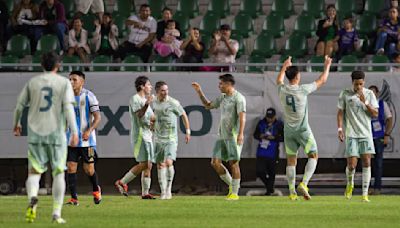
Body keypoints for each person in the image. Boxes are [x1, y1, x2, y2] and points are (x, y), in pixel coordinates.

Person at [12, 51, 78, 224]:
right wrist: (75, 131)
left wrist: (16, 123)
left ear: (42, 65)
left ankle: (32, 199)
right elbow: (69, 108)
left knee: (34, 172)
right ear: (58, 66)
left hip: (35, 133)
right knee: (58, 173)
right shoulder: (64, 82)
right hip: (56, 134)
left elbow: (19, 106)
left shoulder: (32, 82)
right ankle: (56, 213)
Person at [276, 55, 332, 201]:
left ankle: (291, 191)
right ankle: (304, 183)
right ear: (298, 76)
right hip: (302, 130)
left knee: (291, 160)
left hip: (288, 131)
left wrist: (284, 66)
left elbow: (279, 80)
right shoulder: (303, 90)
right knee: (313, 155)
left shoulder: (282, 90)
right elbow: (322, 80)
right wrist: (327, 66)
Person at [192, 74, 246, 200]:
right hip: (222, 135)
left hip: (233, 136)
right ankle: (232, 186)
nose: (219, 86)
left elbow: (243, 117)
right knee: (215, 163)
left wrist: (241, 134)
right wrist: (199, 92)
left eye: (221, 83)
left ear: (228, 84)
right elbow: (208, 105)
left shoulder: (239, 98)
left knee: (234, 164)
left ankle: (235, 193)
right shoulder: (223, 97)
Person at [337, 71, 379, 202]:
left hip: (365, 134)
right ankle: (350, 184)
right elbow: (340, 112)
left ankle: (364, 194)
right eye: (356, 84)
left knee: (367, 162)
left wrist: (365, 102)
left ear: (364, 82)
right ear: (352, 83)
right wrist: (340, 128)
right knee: (352, 165)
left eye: (361, 84)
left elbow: (375, 114)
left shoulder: (369, 94)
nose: (358, 87)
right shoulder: (345, 93)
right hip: (351, 133)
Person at [115, 76, 156, 199]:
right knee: (144, 163)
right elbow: (139, 114)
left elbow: (152, 117)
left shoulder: (144, 100)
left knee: (149, 164)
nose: (151, 87)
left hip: (148, 135)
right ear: (142, 86)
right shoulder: (135, 99)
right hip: (139, 136)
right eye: (149, 84)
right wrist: (147, 103)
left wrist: (154, 124)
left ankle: (145, 193)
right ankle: (122, 182)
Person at [65, 70, 102, 206]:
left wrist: (89, 130)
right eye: (70, 79)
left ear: (82, 81)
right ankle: (74, 198)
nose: (71, 82)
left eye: (74, 79)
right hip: (71, 140)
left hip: (87, 141)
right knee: (71, 167)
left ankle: (96, 190)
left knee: (89, 170)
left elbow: (98, 117)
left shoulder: (89, 96)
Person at [152, 81, 191, 199]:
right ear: (157, 91)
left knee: (168, 162)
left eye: (167, 90)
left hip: (171, 138)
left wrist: (188, 131)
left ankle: (168, 189)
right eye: (163, 90)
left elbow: (183, 115)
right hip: (158, 138)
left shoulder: (173, 102)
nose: (165, 92)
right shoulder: (153, 102)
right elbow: (153, 116)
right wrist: (152, 123)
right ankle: (163, 191)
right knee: (160, 164)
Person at [368, 85, 393, 195]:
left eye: (374, 92)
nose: (372, 95)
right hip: (367, 137)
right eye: (370, 93)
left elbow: (389, 119)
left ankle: (377, 188)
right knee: (366, 163)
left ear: (377, 93)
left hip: (379, 137)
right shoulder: (365, 105)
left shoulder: (382, 104)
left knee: (378, 163)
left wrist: (386, 134)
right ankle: (367, 187)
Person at [253, 107, 284, 196]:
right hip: (261, 152)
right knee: (259, 171)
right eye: (268, 117)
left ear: (274, 117)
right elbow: (255, 135)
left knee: (272, 173)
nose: (269, 119)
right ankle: (270, 187)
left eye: (271, 117)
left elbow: (283, 137)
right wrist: (260, 136)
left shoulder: (279, 124)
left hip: (273, 152)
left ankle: (269, 191)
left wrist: (274, 137)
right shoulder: (261, 123)